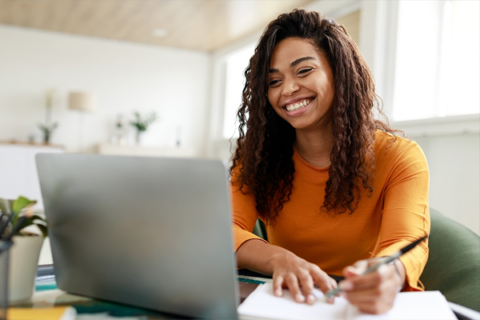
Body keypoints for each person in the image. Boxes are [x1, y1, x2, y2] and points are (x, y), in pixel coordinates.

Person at [230, 9, 430, 315]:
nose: (288, 89)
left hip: (362, 308)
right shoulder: (258, 157)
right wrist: (279, 258)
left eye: (304, 71)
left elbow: (406, 241)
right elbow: (225, 229)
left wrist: (388, 273)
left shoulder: (400, 157)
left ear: (339, 71)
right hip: (287, 304)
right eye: (273, 81)